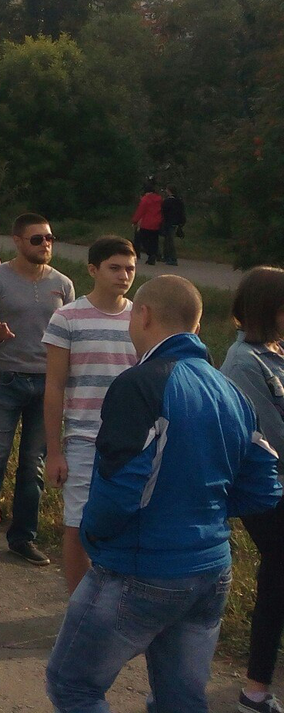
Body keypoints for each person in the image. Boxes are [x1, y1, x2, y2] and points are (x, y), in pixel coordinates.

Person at [44, 275, 282, 713]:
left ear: (144, 314)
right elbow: (265, 485)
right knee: (181, 700)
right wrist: (204, 512)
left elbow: (119, 489)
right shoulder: (228, 388)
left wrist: (95, 539)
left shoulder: (139, 383)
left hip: (142, 566)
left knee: (72, 684)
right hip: (211, 569)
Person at [0, 213, 75, 571]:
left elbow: (71, 332)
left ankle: (23, 538)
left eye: (50, 238)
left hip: (48, 384)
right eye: (37, 239)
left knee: (33, 467)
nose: (46, 245)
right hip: (6, 380)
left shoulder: (63, 284)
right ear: (18, 242)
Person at [41, 235, 138, 593]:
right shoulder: (67, 317)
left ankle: (115, 599)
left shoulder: (141, 317)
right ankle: (79, 605)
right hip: (82, 438)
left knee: (126, 524)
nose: (124, 275)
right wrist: (54, 451)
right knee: (78, 526)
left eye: (130, 268)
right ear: (93, 270)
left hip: (132, 441)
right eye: (115, 268)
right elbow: (54, 388)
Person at [221, 267, 284, 713]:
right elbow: (271, 439)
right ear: (269, 311)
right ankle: (255, 689)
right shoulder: (245, 363)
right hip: (268, 490)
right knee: (279, 574)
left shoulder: (277, 351)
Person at [131, 182, 164, 266]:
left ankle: (150, 254)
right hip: (156, 222)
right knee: (154, 240)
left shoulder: (145, 199)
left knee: (144, 240)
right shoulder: (159, 199)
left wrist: (135, 220)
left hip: (146, 223)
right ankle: (153, 253)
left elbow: (140, 211)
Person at [161, 186, 186, 268]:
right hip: (176, 222)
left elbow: (164, 212)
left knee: (170, 241)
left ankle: (172, 258)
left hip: (169, 222)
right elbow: (182, 213)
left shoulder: (167, 202)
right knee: (168, 240)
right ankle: (167, 256)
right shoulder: (179, 201)